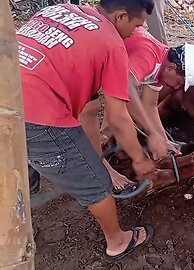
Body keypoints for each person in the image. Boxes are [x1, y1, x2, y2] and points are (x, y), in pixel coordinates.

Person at [19, 0, 157, 259]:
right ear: (121, 16)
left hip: (7, 95)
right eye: (136, 25)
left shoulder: (58, 10)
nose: (135, 32)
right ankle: (117, 242)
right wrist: (140, 159)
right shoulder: (112, 43)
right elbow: (118, 118)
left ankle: (17, 226)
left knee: (17, 168)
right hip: (38, 115)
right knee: (96, 182)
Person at [83, 26, 194, 189]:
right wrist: (152, 134)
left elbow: (150, 105)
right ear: (171, 67)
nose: (176, 87)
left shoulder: (161, 68)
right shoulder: (149, 57)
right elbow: (124, 89)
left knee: (114, 104)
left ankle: (104, 136)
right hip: (84, 54)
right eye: (179, 82)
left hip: (102, 59)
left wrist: (162, 137)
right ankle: (101, 167)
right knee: (90, 109)